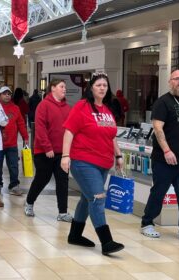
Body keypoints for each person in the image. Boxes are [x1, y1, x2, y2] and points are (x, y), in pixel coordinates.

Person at [61, 72, 125, 255]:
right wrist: (65, 156)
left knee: (86, 198)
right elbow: (69, 132)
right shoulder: (82, 107)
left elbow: (111, 136)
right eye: (98, 85)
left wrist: (118, 156)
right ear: (91, 88)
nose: (102, 88)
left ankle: (75, 235)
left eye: (105, 85)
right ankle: (107, 242)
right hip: (83, 161)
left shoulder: (106, 110)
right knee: (97, 198)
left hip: (104, 163)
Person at [140, 70, 179, 243]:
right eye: (177, 79)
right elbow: (158, 129)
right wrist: (167, 151)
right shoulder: (163, 102)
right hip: (164, 160)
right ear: (170, 82)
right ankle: (147, 223)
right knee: (159, 192)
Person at [24, 79, 72, 222]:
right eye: (61, 86)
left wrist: (68, 151)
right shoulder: (43, 105)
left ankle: (63, 212)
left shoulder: (67, 108)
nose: (64, 89)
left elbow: (70, 130)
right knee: (42, 179)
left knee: (63, 181)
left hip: (62, 153)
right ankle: (29, 203)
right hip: (44, 152)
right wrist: (47, 147)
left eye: (65, 87)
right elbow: (40, 128)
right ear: (53, 88)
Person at [0, 86, 29, 196]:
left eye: (9, 94)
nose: (7, 95)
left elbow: (21, 123)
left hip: (12, 144)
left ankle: (14, 185)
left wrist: (25, 137)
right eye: (4, 93)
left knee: (14, 165)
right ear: (0, 95)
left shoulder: (15, 108)